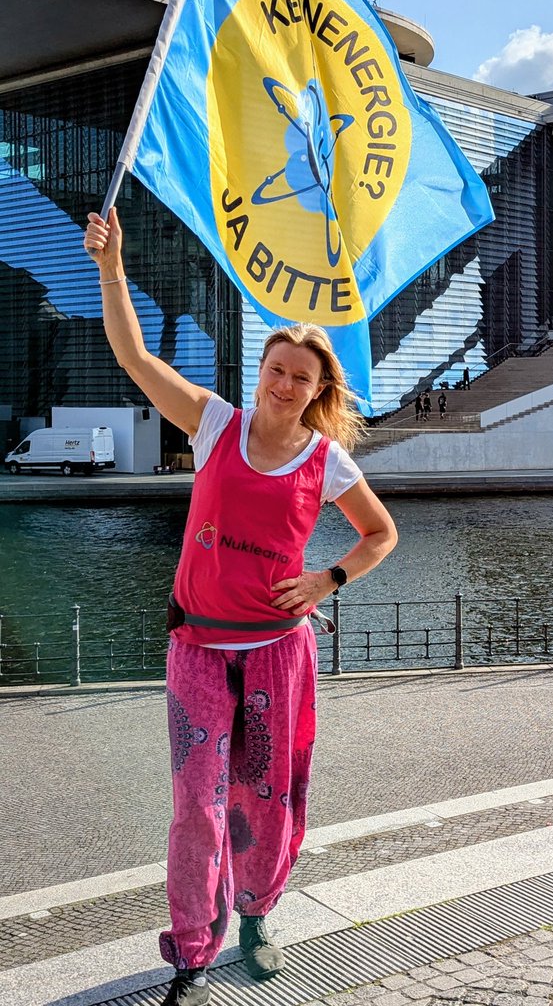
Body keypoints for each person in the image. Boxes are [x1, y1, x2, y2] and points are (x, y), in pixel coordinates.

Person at [84, 208, 397, 1006]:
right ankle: (193, 941)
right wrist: (112, 267)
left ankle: (258, 914)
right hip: (198, 645)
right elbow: (133, 355)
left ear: (318, 389)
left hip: (277, 651)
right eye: (276, 368)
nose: (285, 383)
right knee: (197, 801)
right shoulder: (215, 423)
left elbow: (380, 535)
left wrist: (328, 580)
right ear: (259, 373)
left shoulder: (324, 460)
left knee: (267, 794)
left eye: (302, 375)